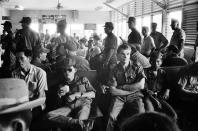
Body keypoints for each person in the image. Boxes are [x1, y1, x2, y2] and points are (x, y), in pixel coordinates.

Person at [47, 57, 96, 130]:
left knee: (81, 125)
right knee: (49, 115)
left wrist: (77, 94)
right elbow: (58, 104)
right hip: (69, 107)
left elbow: (93, 94)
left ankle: (79, 123)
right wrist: (59, 95)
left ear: (75, 70)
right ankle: (75, 122)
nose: (67, 73)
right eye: (64, 70)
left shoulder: (83, 79)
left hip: (83, 104)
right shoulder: (62, 84)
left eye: (69, 70)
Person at [106, 44, 145, 131]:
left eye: (128, 54)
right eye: (122, 54)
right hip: (119, 97)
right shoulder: (114, 69)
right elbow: (113, 91)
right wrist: (131, 90)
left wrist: (123, 86)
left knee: (141, 114)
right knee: (111, 116)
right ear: (117, 55)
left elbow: (141, 85)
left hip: (135, 97)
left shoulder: (137, 66)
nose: (125, 56)